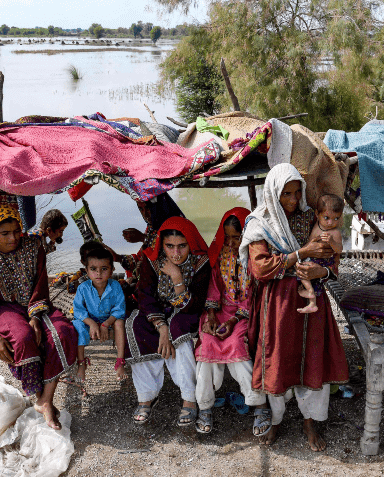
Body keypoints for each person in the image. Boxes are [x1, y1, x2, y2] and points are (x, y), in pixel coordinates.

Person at [240, 163, 349, 451]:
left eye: (296, 192)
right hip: (277, 303)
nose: (291, 200)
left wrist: (321, 272)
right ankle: (275, 420)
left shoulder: (311, 220)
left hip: (312, 301)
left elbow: (332, 261)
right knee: (277, 360)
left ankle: (310, 421)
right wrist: (300, 254)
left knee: (313, 358)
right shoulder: (260, 223)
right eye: (285, 194)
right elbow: (260, 268)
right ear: (273, 193)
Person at [0, 204, 78, 430]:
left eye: (16, 231)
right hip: (3, 308)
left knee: (64, 332)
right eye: (4, 234)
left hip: (35, 304)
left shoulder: (33, 246)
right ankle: (40, 398)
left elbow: (40, 284)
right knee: (23, 338)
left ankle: (44, 400)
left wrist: (36, 317)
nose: (13, 238)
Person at [125, 216, 210, 427]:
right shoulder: (152, 260)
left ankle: (189, 398)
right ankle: (146, 396)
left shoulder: (201, 262)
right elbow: (145, 296)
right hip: (158, 313)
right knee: (135, 324)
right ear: (162, 245)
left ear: (191, 243)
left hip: (188, 311)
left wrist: (176, 277)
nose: (176, 253)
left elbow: (195, 304)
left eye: (182, 246)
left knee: (179, 328)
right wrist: (161, 326)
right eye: (169, 246)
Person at [194, 207, 266, 434]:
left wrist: (234, 320)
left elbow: (255, 295)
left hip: (245, 312)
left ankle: (259, 405)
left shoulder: (255, 257)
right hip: (220, 310)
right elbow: (214, 287)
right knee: (207, 341)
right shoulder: (218, 255)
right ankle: (204, 406)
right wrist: (212, 315)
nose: (233, 243)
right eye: (229, 237)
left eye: (238, 237)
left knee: (235, 345)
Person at [72, 244, 128, 382]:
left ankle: (120, 363)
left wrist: (106, 323)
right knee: (78, 326)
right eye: (93, 269)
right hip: (89, 321)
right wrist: (91, 323)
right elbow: (78, 310)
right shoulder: (83, 288)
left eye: (104, 269)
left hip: (110, 320)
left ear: (112, 270)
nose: (98, 273)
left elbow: (119, 309)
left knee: (120, 323)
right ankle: (81, 363)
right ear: (86, 270)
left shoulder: (115, 286)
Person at [115, 194, 184, 287]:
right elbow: (140, 258)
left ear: (159, 206)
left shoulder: (177, 226)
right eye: (141, 209)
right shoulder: (152, 228)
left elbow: (170, 259)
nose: (145, 214)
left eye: (148, 208)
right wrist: (117, 257)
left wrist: (143, 238)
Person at [297, 194, 344, 313]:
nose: (330, 223)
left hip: (324, 262)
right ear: (317, 214)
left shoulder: (335, 232)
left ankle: (312, 300)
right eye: (327, 217)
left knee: (314, 279)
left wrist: (332, 242)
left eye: (336, 219)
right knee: (301, 270)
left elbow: (339, 249)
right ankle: (311, 296)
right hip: (311, 258)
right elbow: (309, 243)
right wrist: (309, 246)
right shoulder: (316, 227)